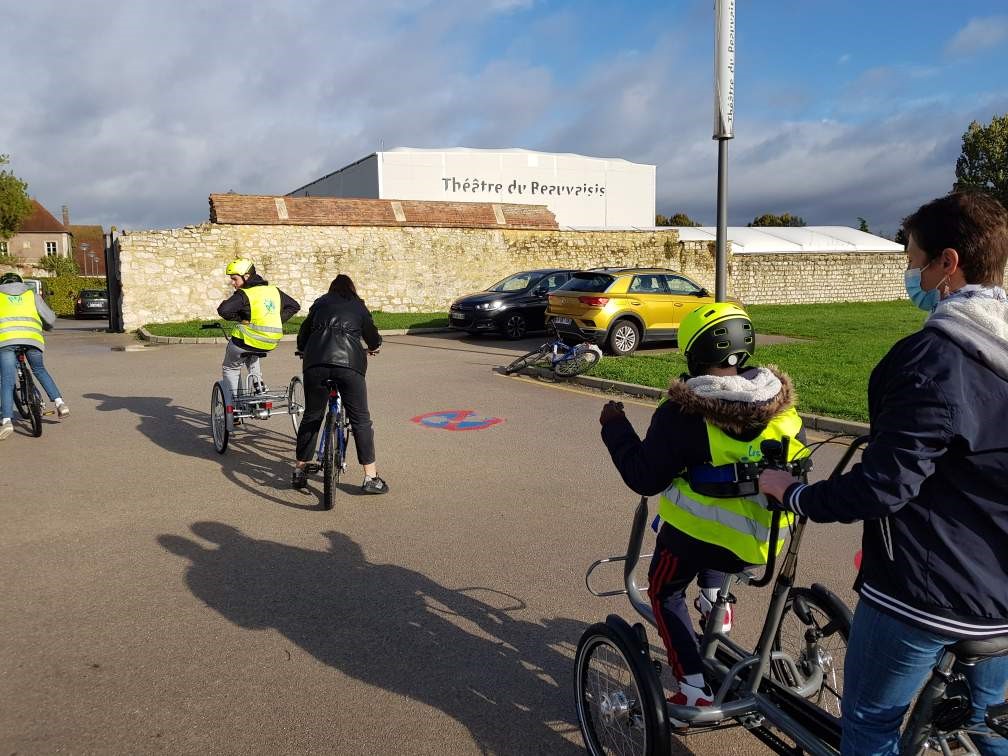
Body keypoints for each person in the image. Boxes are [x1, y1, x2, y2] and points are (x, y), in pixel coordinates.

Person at [759, 191, 1008, 756]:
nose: (908, 271)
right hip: (999, 596)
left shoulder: (932, 359)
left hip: (924, 588)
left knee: (870, 723)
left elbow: (885, 485)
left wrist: (797, 495)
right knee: (988, 726)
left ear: (949, 263)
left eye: (913, 258)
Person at [600, 302, 806, 710]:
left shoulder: (685, 414)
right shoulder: (779, 404)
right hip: (765, 539)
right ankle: (715, 602)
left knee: (663, 591)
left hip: (699, 539)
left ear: (694, 353)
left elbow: (644, 477)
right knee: (717, 534)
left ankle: (693, 686)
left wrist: (615, 428)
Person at [292, 274, 388, 494]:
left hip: (316, 363)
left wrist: (302, 348)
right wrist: (374, 347)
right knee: (360, 420)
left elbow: (304, 332)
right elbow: (372, 337)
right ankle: (371, 477)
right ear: (351, 289)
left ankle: (299, 470)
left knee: (312, 415)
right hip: (349, 365)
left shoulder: (319, 303)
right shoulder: (359, 306)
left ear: (331, 290)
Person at [216, 258, 299, 400]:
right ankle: (258, 388)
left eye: (235, 279)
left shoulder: (245, 294)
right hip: (270, 342)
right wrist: (276, 320)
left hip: (245, 342)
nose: (233, 283)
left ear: (246, 276)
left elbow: (223, 310)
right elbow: (294, 306)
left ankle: (234, 406)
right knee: (252, 354)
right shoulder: (274, 291)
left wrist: (241, 319)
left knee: (231, 367)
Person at [0, 271, 69, 440]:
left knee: (7, 380)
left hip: (7, 341)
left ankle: (7, 420)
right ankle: (60, 403)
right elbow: (50, 318)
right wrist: (46, 327)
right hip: (32, 339)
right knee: (39, 369)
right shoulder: (31, 295)